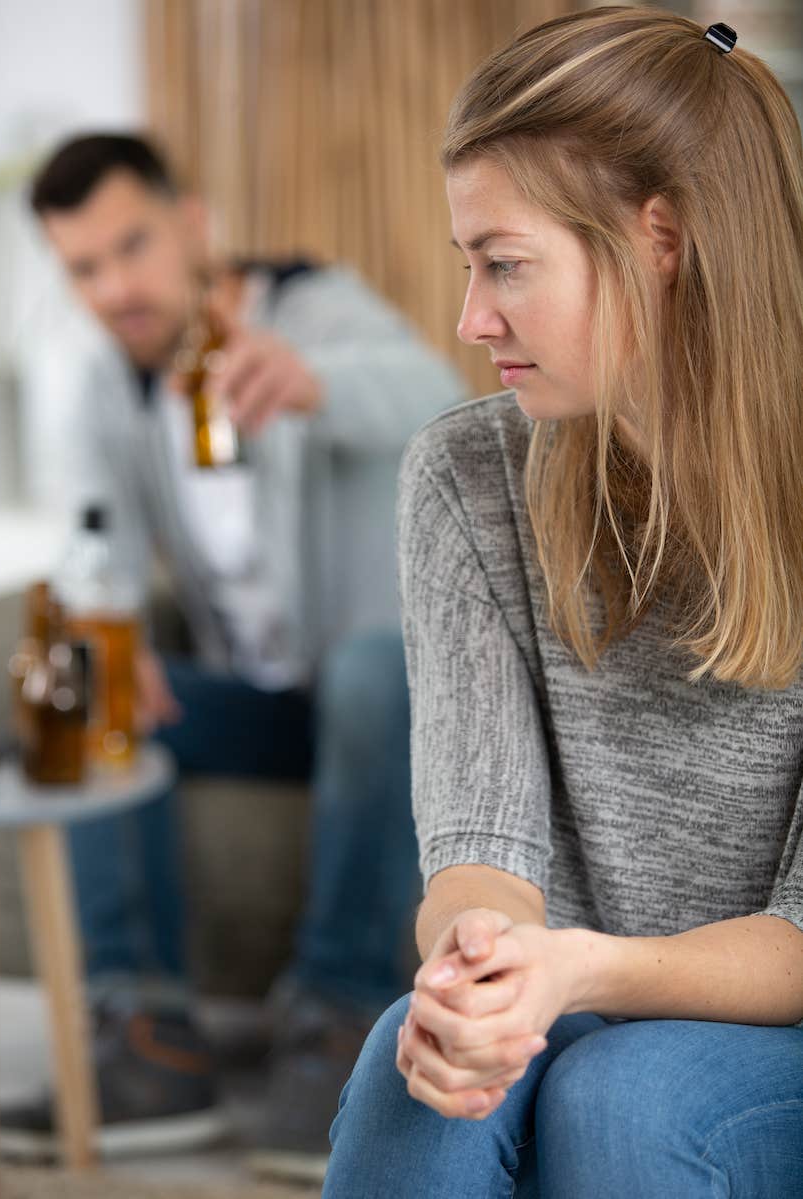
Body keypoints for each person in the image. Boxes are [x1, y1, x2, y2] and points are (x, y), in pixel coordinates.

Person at [323, 7, 803, 1196]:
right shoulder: (465, 476)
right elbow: (479, 845)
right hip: (569, 993)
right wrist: (471, 971)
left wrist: (576, 968)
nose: (469, 319)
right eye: (467, 264)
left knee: (621, 1096)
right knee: (411, 1057)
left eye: (505, 263)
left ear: (661, 239)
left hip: (761, 1029)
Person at [0, 133, 467, 1175]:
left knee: (367, 670)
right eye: (84, 267)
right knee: (80, 682)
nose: (117, 286)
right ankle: (145, 1033)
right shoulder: (108, 385)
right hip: (254, 702)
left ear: (194, 226)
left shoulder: (314, 306)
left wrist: (313, 382)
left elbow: (439, 395)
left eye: (133, 246)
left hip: (369, 695)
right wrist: (108, 635)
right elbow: (94, 546)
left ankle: (341, 1020)